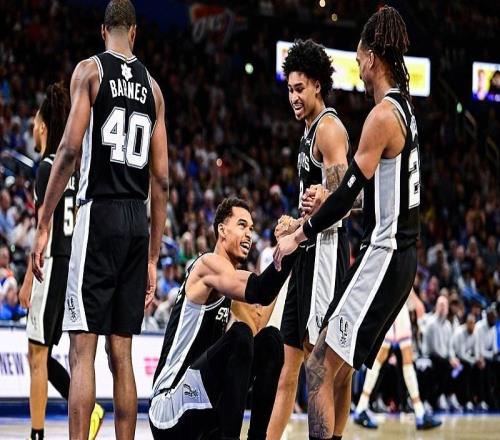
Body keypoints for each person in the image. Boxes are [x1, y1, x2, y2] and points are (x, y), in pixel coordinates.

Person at [274, 6, 421, 439]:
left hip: (385, 251)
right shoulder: (405, 110)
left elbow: (348, 194)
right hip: (398, 254)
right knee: (332, 363)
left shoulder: (381, 116)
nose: (357, 69)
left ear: (372, 57)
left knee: (319, 365)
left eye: (358, 59)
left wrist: (301, 231)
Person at [31, 1, 169, 438]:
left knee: (82, 351)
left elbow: (69, 150)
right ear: (135, 33)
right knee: (121, 354)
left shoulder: (90, 71)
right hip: (137, 219)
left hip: (98, 214)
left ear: (103, 30)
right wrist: (153, 257)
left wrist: (44, 222)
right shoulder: (154, 88)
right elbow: (162, 179)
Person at [149, 198, 297, 440]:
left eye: (251, 228)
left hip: (200, 406)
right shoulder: (207, 265)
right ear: (222, 230)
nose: (249, 234)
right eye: (242, 225)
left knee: (271, 340)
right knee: (240, 335)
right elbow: (261, 290)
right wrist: (295, 241)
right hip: (168, 408)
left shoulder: (230, 282)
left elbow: (260, 320)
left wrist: (288, 246)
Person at [267, 39, 351, 440]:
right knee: (289, 365)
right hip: (306, 249)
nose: (293, 97)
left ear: (318, 85)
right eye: (289, 89)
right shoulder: (307, 131)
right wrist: (294, 221)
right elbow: (316, 201)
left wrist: (324, 200)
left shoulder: (329, 129)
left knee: (325, 365)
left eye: (300, 88)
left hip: (326, 254)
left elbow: (350, 201)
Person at [18, 83, 103, 440]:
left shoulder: (46, 169)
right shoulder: (74, 169)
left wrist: (28, 279)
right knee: (45, 352)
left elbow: (44, 226)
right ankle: (89, 408)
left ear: (42, 126)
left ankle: (37, 434)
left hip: (51, 263)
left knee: (37, 353)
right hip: (71, 265)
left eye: (35, 125)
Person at [353, 292, 441, 430]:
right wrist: (416, 301)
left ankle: (361, 407)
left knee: (387, 360)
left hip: (393, 301)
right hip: (395, 301)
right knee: (397, 360)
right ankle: (419, 413)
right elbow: (403, 279)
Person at [422, 295, 462, 411]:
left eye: (444, 306)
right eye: (440, 305)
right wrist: (449, 360)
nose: (442, 308)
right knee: (445, 366)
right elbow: (435, 348)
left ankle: (447, 395)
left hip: (442, 357)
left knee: (458, 367)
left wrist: (453, 358)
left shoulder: (448, 325)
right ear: (436, 307)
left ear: (447, 309)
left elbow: (450, 347)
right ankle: (434, 398)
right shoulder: (431, 323)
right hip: (429, 355)